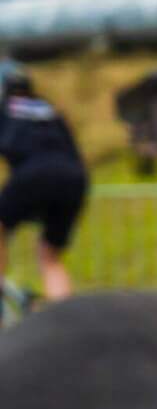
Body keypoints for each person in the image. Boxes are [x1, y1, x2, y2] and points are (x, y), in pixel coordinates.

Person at [0, 63, 89, 304]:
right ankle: (64, 320)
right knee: (50, 257)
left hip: (34, 173)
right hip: (75, 178)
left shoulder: (6, 109)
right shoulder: (48, 109)